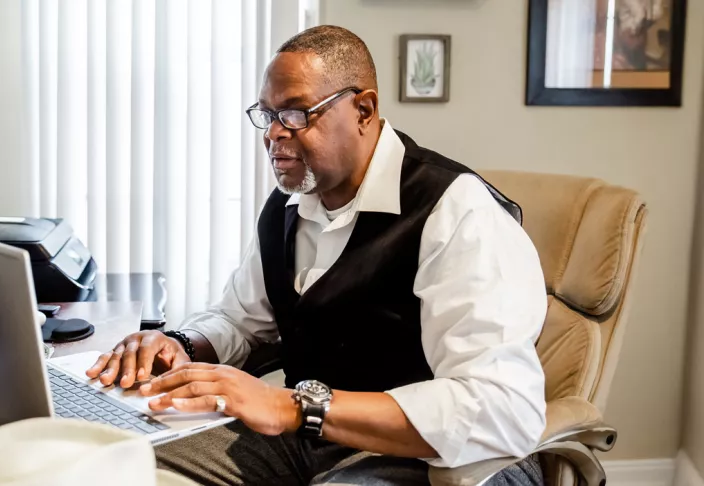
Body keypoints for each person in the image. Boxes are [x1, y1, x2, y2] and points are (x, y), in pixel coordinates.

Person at [86, 25, 547, 486]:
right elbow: (240, 319)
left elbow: (502, 408)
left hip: (424, 457)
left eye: (294, 114)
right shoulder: (287, 207)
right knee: (117, 461)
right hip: (307, 439)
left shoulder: (455, 210)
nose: (272, 134)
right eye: (266, 115)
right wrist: (181, 345)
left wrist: (294, 406)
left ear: (363, 109)